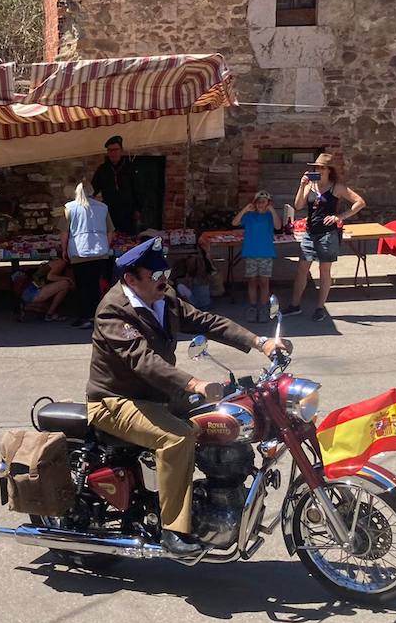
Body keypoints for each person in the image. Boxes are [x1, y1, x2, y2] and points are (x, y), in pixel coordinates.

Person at [85, 237, 292, 556]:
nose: (163, 281)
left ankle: (218, 495)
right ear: (130, 279)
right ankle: (173, 530)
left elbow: (207, 321)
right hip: (115, 401)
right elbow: (143, 360)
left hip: (158, 393)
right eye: (155, 277)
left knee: (226, 413)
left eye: (164, 274)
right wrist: (193, 383)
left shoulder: (162, 298)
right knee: (178, 438)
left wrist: (258, 341)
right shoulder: (112, 311)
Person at [286, 153, 366, 323]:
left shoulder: (336, 187)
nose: (318, 170)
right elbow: (298, 205)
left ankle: (320, 307)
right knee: (302, 268)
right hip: (310, 232)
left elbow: (359, 202)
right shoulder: (310, 185)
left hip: (327, 234)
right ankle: (295, 305)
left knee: (324, 270)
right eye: (316, 167)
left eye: (322, 167)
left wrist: (340, 217)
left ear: (329, 170)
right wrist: (302, 186)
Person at [61, 181, 115, 329]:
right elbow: (110, 232)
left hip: (80, 251)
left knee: (82, 286)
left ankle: (84, 316)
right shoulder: (103, 208)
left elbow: (65, 233)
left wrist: (64, 250)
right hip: (99, 251)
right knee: (95, 285)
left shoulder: (69, 208)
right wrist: (106, 246)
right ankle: (95, 316)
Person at [232, 190, 282, 323]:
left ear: (268, 203)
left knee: (264, 282)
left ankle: (264, 307)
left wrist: (272, 210)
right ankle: (253, 307)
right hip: (251, 253)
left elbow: (278, 226)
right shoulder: (249, 216)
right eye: (258, 202)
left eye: (263, 202)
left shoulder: (270, 216)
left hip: (266, 253)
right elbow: (234, 223)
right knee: (252, 281)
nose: (260, 204)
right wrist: (245, 210)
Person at [91, 135, 139, 235]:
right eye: (110, 150)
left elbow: (138, 190)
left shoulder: (130, 168)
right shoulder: (102, 169)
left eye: (115, 150)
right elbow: (93, 188)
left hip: (128, 211)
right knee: (110, 237)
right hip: (109, 211)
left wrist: (138, 209)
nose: (113, 153)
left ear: (121, 150)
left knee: (128, 238)